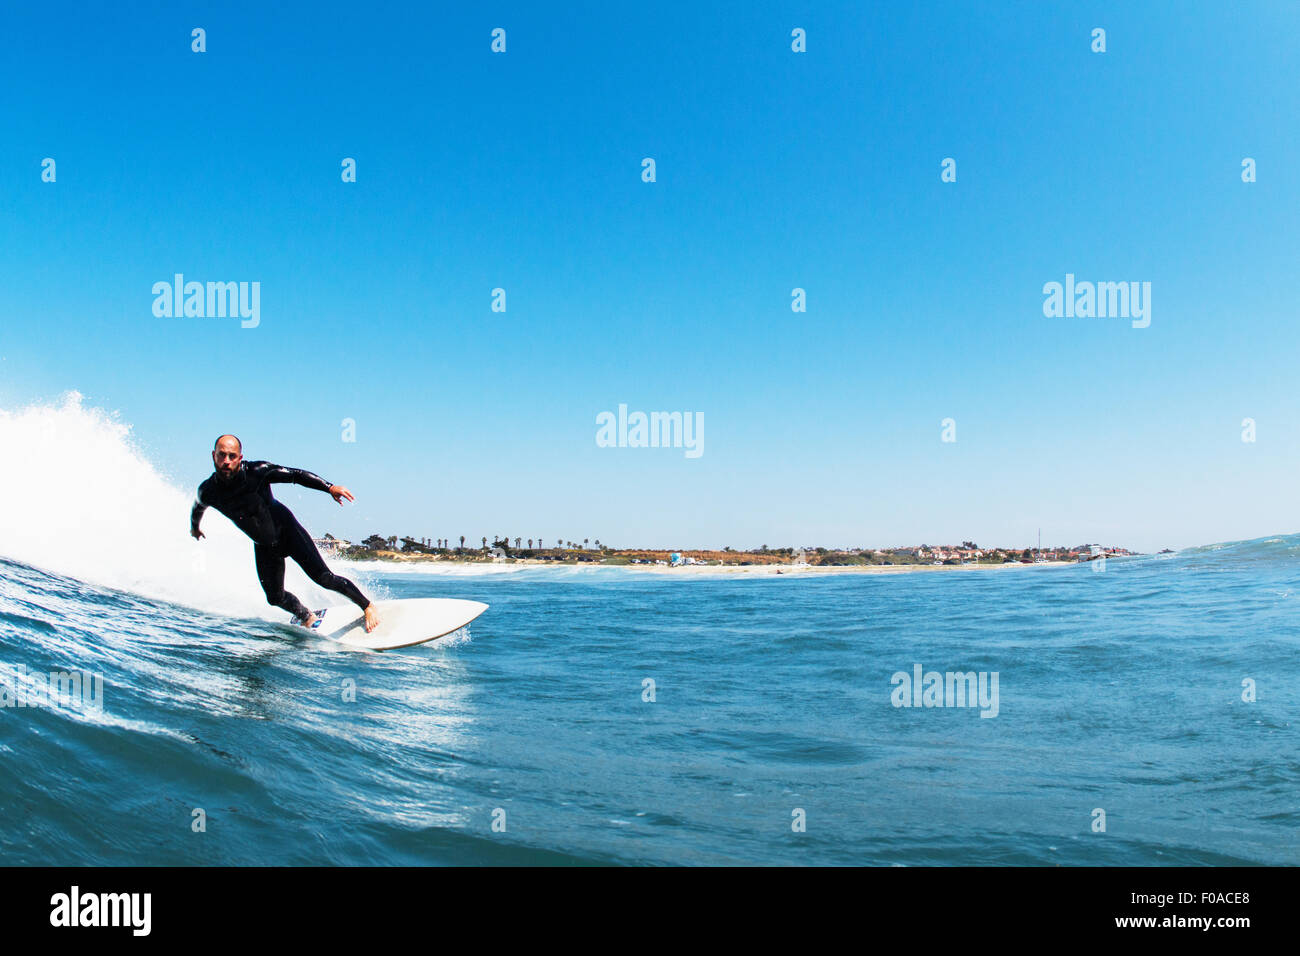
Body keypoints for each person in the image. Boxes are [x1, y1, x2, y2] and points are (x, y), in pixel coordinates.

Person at [190, 434, 380, 632]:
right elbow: (198, 507)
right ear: (213, 455)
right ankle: (305, 615)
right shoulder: (208, 490)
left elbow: (295, 475)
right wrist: (195, 527)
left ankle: (367, 606)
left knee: (325, 578)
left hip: (288, 532)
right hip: (264, 545)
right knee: (274, 598)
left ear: (240, 457)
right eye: (222, 455)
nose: (226, 461)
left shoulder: (257, 471)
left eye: (232, 456)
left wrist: (329, 487)